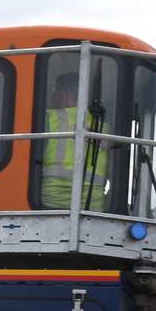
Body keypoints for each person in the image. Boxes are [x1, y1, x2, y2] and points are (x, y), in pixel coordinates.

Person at [38, 72, 108, 209]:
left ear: (62, 96)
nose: (52, 102)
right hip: (94, 205)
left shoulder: (48, 118)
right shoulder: (104, 128)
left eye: (53, 97)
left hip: (50, 201)